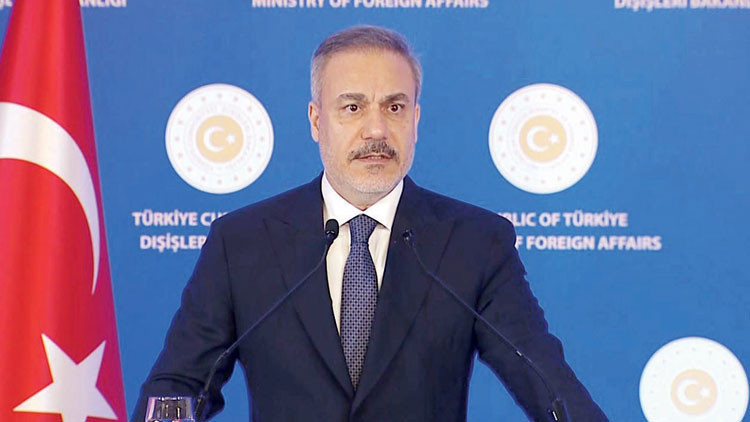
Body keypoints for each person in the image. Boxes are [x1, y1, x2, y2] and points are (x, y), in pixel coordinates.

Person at [132, 25, 608, 421]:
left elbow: (549, 386)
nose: (376, 130)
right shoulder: (242, 242)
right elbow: (179, 387)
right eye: (353, 107)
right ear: (316, 120)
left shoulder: (475, 243)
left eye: (394, 107)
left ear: (415, 120)